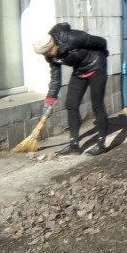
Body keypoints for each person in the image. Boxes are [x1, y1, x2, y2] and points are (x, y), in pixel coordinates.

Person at [32, 23, 109, 156]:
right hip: (80, 70)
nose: (48, 55)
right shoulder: (50, 56)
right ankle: (74, 145)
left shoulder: (73, 37)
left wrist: (102, 58)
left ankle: (101, 143)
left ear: (53, 45)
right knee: (71, 104)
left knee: (97, 105)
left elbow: (101, 42)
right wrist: (49, 100)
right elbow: (56, 78)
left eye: (49, 51)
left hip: (96, 66)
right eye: (46, 54)